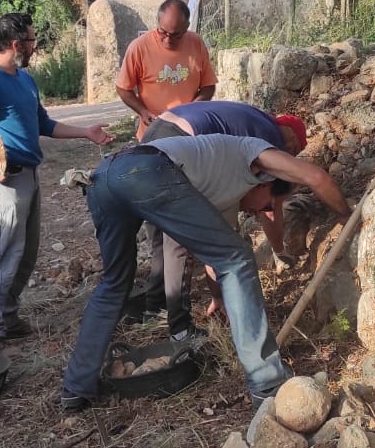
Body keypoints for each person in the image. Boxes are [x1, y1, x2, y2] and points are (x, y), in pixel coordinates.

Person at [59, 134, 352, 413]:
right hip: (144, 170)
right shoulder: (254, 153)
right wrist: (345, 215)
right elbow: (316, 177)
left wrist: (219, 298)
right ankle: (268, 382)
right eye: (266, 205)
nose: (257, 213)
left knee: (114, 283)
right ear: (264, 183)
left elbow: (214, 257)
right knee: (239, 258)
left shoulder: (217, 192)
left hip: (104, 178)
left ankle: (76, 388)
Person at [0, 13, 115, 350]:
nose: (34, 46)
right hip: (5, 183)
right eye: (31, 40)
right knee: (3, 255)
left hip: (28, 176)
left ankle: (8, 317)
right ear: (16, 44)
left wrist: (85, 132)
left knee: (26, 254)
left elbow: (43, 123)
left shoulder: (25, 80)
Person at [123, 102, 311, 338]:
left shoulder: (252, 121)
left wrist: (217, 296)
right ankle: (180, 329)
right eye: (294, 149)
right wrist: (280, 251)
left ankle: (156, 310)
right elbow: (270, 207)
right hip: (180, 140)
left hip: (156, 132)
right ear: (292, 137)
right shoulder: (270, 140)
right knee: (180, 243)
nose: (290, 154)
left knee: (161, 233)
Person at [115, 0, 216, 141]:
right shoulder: (139, 47)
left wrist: (193, 109)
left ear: (186, 27)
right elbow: (123, 88)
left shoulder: (196, 43)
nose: (168, 40)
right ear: (158, 22)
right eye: (162, 32)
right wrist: (143, 112)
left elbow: (208, 86)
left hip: (190, 131)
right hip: (153, 134)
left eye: (176, 35)